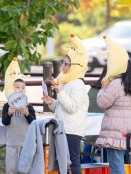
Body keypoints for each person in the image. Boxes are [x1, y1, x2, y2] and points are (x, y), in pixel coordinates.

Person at [42, 33, 89, 174]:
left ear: (75, 66)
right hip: (64, 127)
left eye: (66, 64)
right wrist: (52, 102)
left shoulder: (78, 84)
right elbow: (62, 106)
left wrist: (60, 92)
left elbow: (72, 107)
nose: (62, 66)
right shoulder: (68, 82)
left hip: (72, 130)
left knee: (73, 162)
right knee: (63, 162)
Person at [95, 35, 131, 174]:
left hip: (115, 131)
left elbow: (102, 103)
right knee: (123, 162)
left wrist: (103, 87)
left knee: (116, 165)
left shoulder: (115, 84)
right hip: (128, 129)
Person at [2, 79, 36, 174]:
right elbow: (5, 122)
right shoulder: (7, 106)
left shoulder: (28, 106)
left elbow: (33, 122)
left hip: (25, 144)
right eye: (17, 87)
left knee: (25, 169)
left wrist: (27, 114)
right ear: (12, 89)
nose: (20, 90)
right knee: (11, 169)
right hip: (12, 143)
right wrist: (9, 113)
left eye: (23, 87)